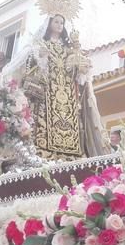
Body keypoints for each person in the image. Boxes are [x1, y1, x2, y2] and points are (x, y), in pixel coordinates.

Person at [18, 14, 110, 160]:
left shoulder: (68, 49)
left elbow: (75, 72)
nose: (59, 25)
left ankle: (72, 154)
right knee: (45, 120)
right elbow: (30, 65)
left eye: (62, 22)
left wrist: (80, 66)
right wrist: (40, 56)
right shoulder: (41, 44)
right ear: (49, 24)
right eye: (56, 22)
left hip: (68, 94)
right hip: (48, 91)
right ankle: (44, 151)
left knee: (71, 123)